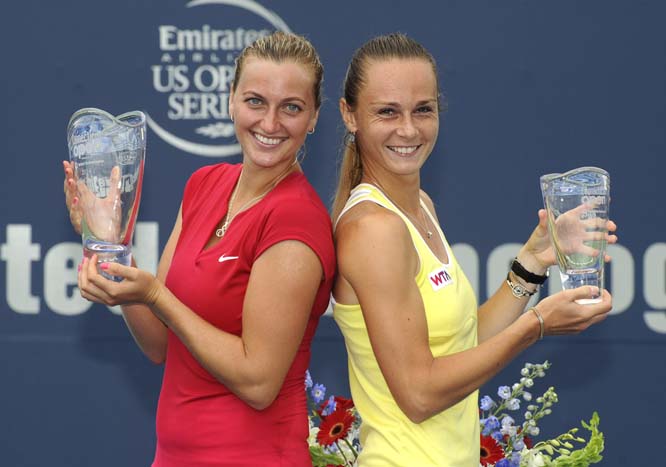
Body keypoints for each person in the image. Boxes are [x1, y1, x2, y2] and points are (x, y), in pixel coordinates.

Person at [330, 33, 615, 467]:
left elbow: (463, 345)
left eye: (422, 109)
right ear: (350, 115)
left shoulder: (420, 206)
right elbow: (419, 394)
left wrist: (533, 260)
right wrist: (537, 325)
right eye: (387, 112)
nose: (408, 129)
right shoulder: (374, 229)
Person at [63, 31, 335, 467]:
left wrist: (156, 294)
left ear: (315, 117)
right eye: (255, 101)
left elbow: (259, 382)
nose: (270, 123)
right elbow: (160, 345)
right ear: (230, 100)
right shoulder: (204, 184)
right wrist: (111, 246)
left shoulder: (295, 220)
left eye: (292, 108)